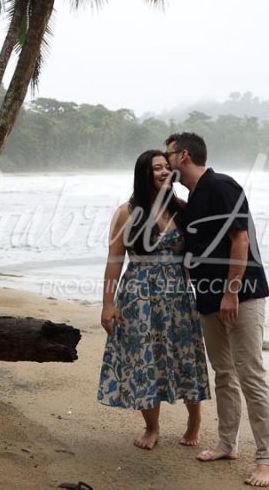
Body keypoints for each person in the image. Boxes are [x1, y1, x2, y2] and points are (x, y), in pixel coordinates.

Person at [164, 133, 269, 488]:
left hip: (241, 296)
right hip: (208, 299)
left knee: (251, 375)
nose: (165, 161)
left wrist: (231, 293)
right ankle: (228, 444)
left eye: (168, 155)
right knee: (224, 374)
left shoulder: (222, 186)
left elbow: (240, 239)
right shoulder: (193, 198)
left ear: (184, 155)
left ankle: (266, 459)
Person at [97, 149, 210, 451]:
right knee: (145, 359)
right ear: (144, 174)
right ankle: (152, 427)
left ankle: (194, 420)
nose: (164, 172)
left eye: (166, 167)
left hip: (177, 295)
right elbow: (114, 260)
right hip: (139, 295)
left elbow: (197, 256)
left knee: (186, 356)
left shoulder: (181, 209)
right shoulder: (127, 212)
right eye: (157, 168)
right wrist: (108, 304)